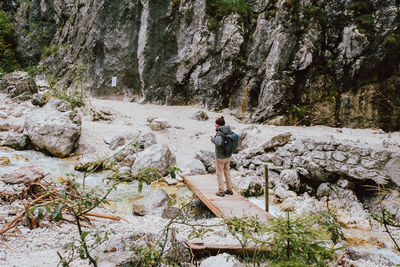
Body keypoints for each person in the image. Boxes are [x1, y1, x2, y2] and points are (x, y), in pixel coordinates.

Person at [211, 116, 233, 197]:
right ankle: (229, 189)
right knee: (227, 172)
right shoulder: (228, 130)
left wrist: (212, 139)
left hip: (220, 156)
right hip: (228, 155)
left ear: (218, 125)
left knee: (219, 173)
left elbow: (218, 142)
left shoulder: (219, 133)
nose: (215, 125)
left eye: (216, 124)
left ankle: (221, 191)